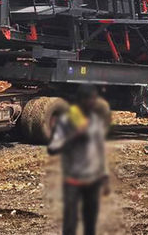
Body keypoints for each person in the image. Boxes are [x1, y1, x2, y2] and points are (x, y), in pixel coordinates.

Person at [48, 85, 111, 235]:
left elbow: (99, 149)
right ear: (82, 100)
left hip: (93, 181)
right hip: (72, 181)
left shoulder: (95, 120)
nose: (93, 103)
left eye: (94, 100)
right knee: (70, 222)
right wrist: (74, 135)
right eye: (91, 99)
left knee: (90, 223)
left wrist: (105, 177)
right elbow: (53, 147)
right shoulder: (67, 120)